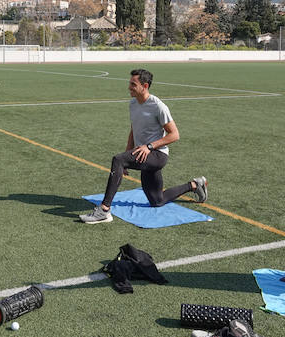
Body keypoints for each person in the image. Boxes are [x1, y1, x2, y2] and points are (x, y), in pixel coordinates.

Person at [80, 68, 207, 224]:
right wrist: (127, 155)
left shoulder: (158, 106)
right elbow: (134, 130)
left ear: (145, 86)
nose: (129, 87)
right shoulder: (133, 104)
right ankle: (194, 185)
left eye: (133, 84)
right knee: (157, 201)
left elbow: (174, 135)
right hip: (143, 154)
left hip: (157, 155)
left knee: (117, 160)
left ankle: (104, 210)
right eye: (130, 83)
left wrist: (149, 147)